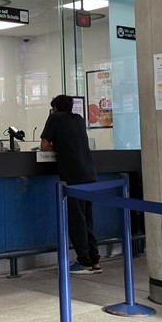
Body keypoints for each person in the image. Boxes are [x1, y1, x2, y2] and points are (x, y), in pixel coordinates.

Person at [40, 94, 101, 274]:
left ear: (55, 108)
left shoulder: (54, 118)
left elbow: (44, 146)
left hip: (73, 173)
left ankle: (83, 262)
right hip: (89, 171)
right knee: (87, 217)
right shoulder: (79, 119)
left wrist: (58, 148)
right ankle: (94, 260)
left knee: (76, 218)